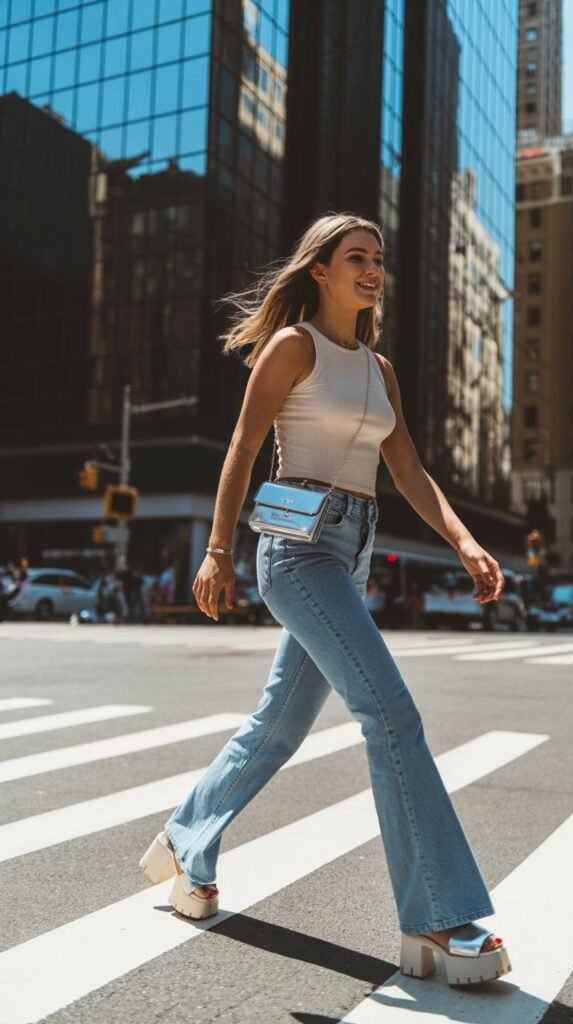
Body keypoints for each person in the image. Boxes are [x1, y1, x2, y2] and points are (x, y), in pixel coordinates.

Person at [139, 213, 510, 986]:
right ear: (321, 270)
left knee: (277, 727)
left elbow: (407, 469)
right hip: (297, 549)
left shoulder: (379, 368)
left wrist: (465, 541)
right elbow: (244, 446)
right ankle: (438, 918)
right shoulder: (293, 346)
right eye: (356, 258)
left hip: (354, 549)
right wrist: (216, 550)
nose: (372, 270)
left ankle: (183, 843)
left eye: (378, 259)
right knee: (391, 714)